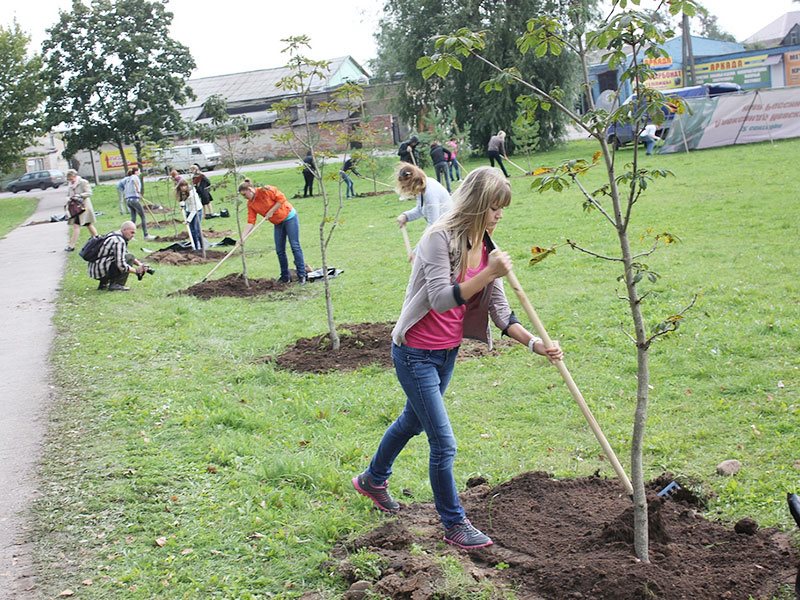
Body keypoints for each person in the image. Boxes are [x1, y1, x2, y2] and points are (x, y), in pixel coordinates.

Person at [353, 166, 563, 549]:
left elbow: (501, 313)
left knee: (410, 422)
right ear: (478, 204)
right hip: (414, 352)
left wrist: (536, 344)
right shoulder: (437, 239)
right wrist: (489, 274)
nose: (500, 216)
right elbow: (440, 298)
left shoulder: (487, 247)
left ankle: (371, 479)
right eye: (495, 208)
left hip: (446, 353)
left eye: (503, 209)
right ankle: (454, 524)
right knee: (444, 443)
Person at [238, 181, 307, 284]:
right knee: (279, 250)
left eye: (244, 194)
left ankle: (302, 275)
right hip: (277, 223)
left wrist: (271, 211)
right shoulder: (251, 204)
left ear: (250, 189)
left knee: (295, 246)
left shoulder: (266, 190)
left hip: (289, 217)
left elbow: (282, 199)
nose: (244, 197)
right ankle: (285, 277)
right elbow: (251, 222)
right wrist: (242, 238)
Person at [88, 221, 151, 291]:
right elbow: (121, 265)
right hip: (101, 271)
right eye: (132, 232)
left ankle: (103, 284)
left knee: (129, 257)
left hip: (95, 269)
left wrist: (140, 264)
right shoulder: (119, 241)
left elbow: (123, 252)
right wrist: (137, 271)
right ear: (124, 230)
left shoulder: (113, 234)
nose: (133, 235)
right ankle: (117, 285)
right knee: (129, 258)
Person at [395, 164, 452, 231]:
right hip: (441, 229)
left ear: (412, 184)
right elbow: (420, 210)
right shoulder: (423, 187)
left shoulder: (431, 193)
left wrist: (422, 241)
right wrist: (406, 216)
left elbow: (433, 225)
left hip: (448, 230)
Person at [64, 169, 98, 252]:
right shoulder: (70, 185)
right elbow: (68, 194)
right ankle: (97, 238)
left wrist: (80, 195)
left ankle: (71, 246)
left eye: (71, 179)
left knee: (77, 226)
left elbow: (89, 192)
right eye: (69, 179)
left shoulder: (83, 182)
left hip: (83, 208)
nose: (70, 181)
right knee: (88, 224)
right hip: (75, 208)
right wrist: (68, 198)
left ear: (75, 176)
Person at [118, 166, 155, 240]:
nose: (140, 172)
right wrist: (138, 189)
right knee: (143, 217)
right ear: (136, 172)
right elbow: (134, 181)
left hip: (128, 200)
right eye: (139, 171)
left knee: (133, 218)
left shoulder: (127, 178)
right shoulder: (134, 177)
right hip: (134, 200)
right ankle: (146, 235)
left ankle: (130, 236)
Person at [176, 179, 204, 250]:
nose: (183, 188)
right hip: (189, 210)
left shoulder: (192, 194)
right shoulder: (182, 192)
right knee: (192, 231)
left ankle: (202, 247)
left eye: (184, 186)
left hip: (197, 210)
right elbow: (182, 200)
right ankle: (195, 247)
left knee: (196, 229)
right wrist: (182, 205)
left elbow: (194, 209)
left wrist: (188, 220)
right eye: (181, 187)